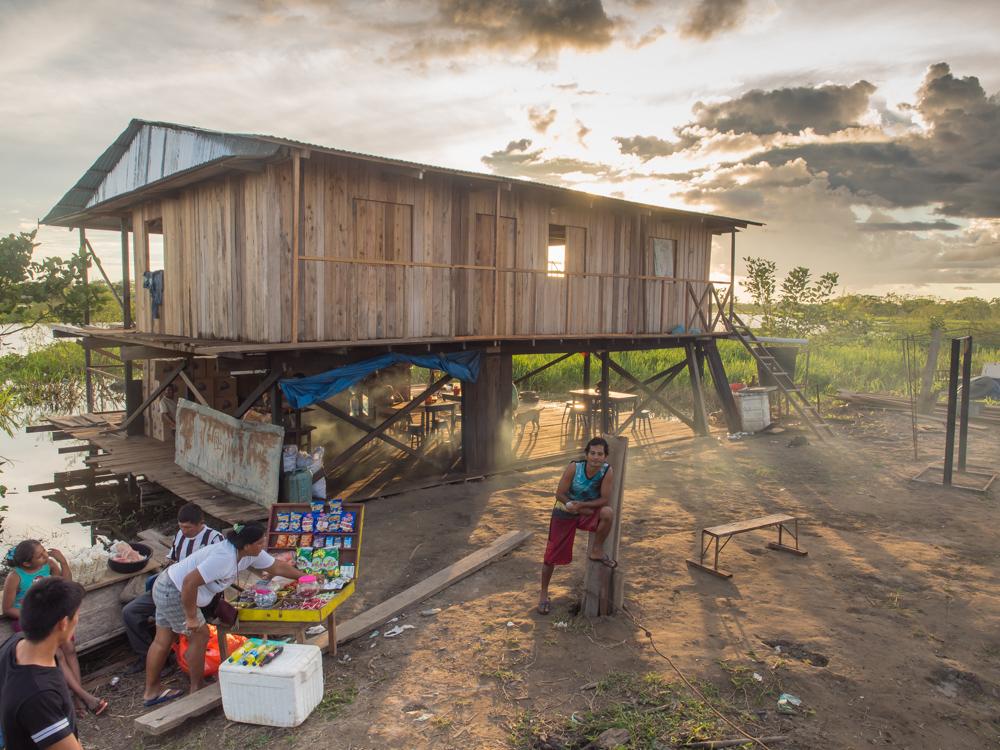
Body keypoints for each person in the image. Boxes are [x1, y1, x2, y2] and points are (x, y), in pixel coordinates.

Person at [142, 523, 305, 707]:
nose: (263, 545)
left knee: (163, 640)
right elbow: (189, 583)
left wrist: (304, 576)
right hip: (174, 590)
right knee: (200, 634)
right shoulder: (224, 557)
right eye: (260, 542)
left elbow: (277, 567)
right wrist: (191, 617)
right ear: (246, 545)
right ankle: (197, 689)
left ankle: (152, 692)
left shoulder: (250, 553)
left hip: (167, 583)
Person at [2, 541, 107, 716]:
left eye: (45, 551)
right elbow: (8, 609)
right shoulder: (15, 577)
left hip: (50, 614)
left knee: (70, 649)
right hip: (28, 619)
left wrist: (63, 563)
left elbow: (64, 585)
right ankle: (81, 696)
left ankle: (77, 698)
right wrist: (35, 616)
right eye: (40, 555)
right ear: (27, 563)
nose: (46, 556)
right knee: (57, 655)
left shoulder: (49, 564)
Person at [121, 503, 224, 672]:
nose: (184, 531)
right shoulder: (180, 536)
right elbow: (172, 560)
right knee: (130, 612)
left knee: (172, 625)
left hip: (195, 595)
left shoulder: (215, 540)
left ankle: (178, 660)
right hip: (169, 588)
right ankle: (148, 657)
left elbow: (215, 575)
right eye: (181, 526)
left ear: (201, 523)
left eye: (188, 527)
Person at [0, 576, 87, 750]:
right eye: (76, 615)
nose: (77, 620)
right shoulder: (39, 694)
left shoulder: (16, 644)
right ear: (63, 623)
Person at [537, 437, 617, 615]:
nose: (596, 458)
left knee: (607, 513)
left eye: (600, 454)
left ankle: (596, 550)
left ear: (605, 456)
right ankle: (543, 594)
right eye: (593, 453)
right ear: (586, 454)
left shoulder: (606, 471)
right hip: (565, 510)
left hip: (586, 510)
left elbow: (605, 499)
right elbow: (559, 494)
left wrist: (583, 507)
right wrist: (572, 505)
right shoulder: (575, 467)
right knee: (551, 554)